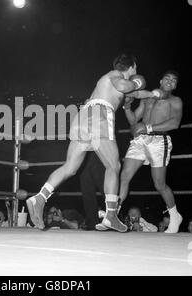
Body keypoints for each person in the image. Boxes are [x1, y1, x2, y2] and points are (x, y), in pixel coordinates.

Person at [27, 54, 161, 231]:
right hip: (100, 116)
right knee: (113, 166)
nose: (136, 71)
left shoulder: (113, 84)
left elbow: (135, 93)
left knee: (70, 167)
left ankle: (40, 197)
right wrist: (137, 82)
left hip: (84, 117)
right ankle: (111, 215)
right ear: (132, 67)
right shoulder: (116, 75)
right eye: (135, 68)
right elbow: (125, 85)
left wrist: (153, 93)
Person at [119, 70, 183, 233]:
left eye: (173, 80)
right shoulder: (147, 97)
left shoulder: (175, 101)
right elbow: (134, 120)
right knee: (124, 176)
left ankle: (175, 216)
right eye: (167, 78)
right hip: (140, 140)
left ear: (175, 85)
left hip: (159, 140)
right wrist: (126, 106)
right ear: (161, 81)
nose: (170, 81)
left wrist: (148, 127)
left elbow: (174, 123)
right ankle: (114, 213)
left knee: (159, 184)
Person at [79, 152, 105, 230]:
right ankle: (92, 223)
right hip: (83, 152)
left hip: (98, 150)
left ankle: (113, 218)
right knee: (87, 190)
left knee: (105, 188)